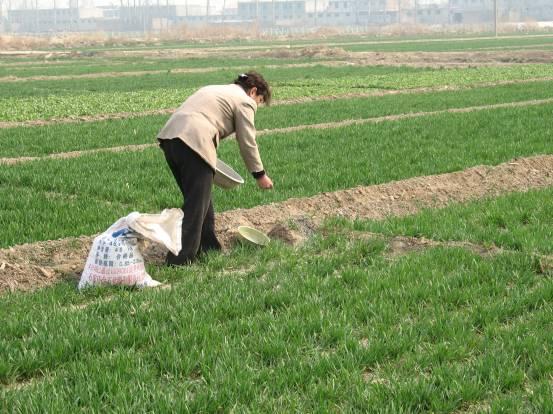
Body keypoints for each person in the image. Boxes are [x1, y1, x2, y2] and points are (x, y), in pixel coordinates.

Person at [157, 71, 273, 266]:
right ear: (253, 91)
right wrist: (260, 174)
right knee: (195, 206)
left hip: (171, 140)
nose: (257, 105)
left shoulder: (215, 89)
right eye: (260, 101)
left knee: (201, 201)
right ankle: (179, 261)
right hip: (194, 142)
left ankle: (209, 249)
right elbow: (247, 141)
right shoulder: (245, 101)